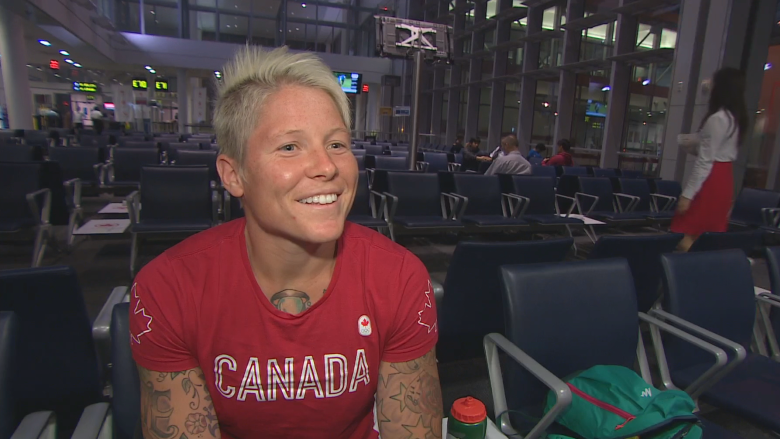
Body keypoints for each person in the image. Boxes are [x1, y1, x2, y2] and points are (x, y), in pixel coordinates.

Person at [129, 46, 442, 439]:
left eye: (336, 144)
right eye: (290, 147)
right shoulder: (168, 289)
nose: (327, 167)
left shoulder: (400, 278)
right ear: (233, 174)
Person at [672, 67, 747, 252]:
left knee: (687, 234)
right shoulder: (736, 119)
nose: (708, 84)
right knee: (708, 233)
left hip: (710, 180)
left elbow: (704, 161)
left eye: (712, 82)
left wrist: (687, 195)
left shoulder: (717, 119)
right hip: (724, 178)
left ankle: (681, 275)